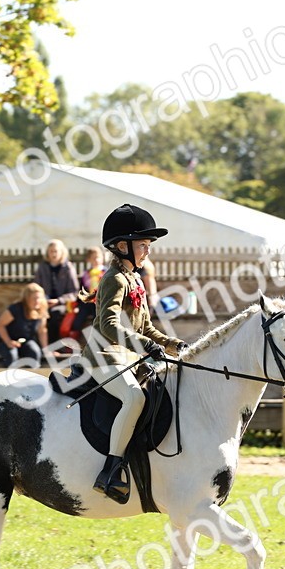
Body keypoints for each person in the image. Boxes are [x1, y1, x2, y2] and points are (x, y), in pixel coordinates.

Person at [83, 204, 187, 504]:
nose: (147, 251)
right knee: (135, 398)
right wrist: (144, 346)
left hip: (128, 358)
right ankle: (111, 470)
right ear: (121, 246)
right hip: (103, 356)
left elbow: (147, 328)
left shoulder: (136, 280)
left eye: (148, 246)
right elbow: (108, 323)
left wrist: (172, 344)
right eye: (143, 245)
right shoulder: (113, 278)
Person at [33, 239, 80, 342]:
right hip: (44, 302)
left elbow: (74, 292)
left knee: (55, 314)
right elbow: (36, 287)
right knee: (37, 315)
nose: (53, 254)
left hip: (62, 303)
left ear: (61, 252)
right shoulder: (42, 267)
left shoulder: (68, 267)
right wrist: (43, 300)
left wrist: (58, 301)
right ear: (47, 253)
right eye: (51, 251)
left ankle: (52, 345)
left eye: (56, 251)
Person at [0, 283, 49, 367]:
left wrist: (46, 349)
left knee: (35, 352)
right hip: (7, 340)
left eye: (39, 298)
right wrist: (9, 342)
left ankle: (32, 378)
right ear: (27, 299)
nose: (37, 301)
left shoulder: (41, 310)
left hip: (26, 340)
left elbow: (42, 331)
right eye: (34, 298)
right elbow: (0, 325)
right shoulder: (15, 309)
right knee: (12, 355)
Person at [73, 245, 107, 335]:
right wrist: (77, 303)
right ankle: (74, 336)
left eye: (98, 257)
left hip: (101, 301)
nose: (96, 260)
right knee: (79, 319)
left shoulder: (106, 272)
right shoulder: (86, 273)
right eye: (93, 258)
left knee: (97, 318)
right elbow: (82, 288)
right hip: (88, 301)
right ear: (89, 260)